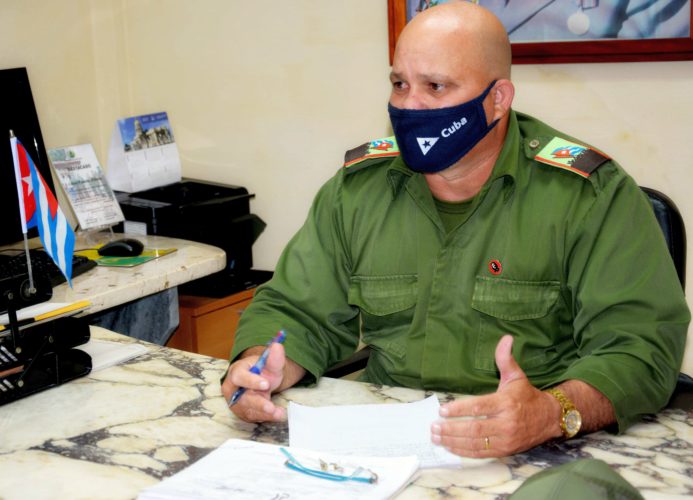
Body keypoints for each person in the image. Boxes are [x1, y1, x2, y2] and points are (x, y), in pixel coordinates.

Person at [221, 1, 689, 458]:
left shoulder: (587, 196)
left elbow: (640, 347)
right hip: (389, 445)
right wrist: (262, 365)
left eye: (436, 86)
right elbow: (296, 309)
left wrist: (550, 413)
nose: (411, 105)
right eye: (400, 84)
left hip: (540, 451)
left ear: (498, 99)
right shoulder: (358, 190)